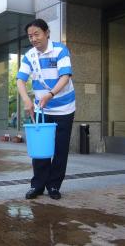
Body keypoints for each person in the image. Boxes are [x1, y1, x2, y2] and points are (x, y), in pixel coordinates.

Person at [17, 19, 75, 200]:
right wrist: (27, 99)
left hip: (64, 108)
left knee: (60, 149)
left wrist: (50, 94)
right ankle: (38, 185)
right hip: (42, 110)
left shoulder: (60, 50)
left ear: (47, 32)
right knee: (40, 149)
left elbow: (65, 76)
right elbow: (20, 80)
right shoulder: (29, 56)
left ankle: (54, 186)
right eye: (30, 36)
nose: (33, 39)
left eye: (37, 34)